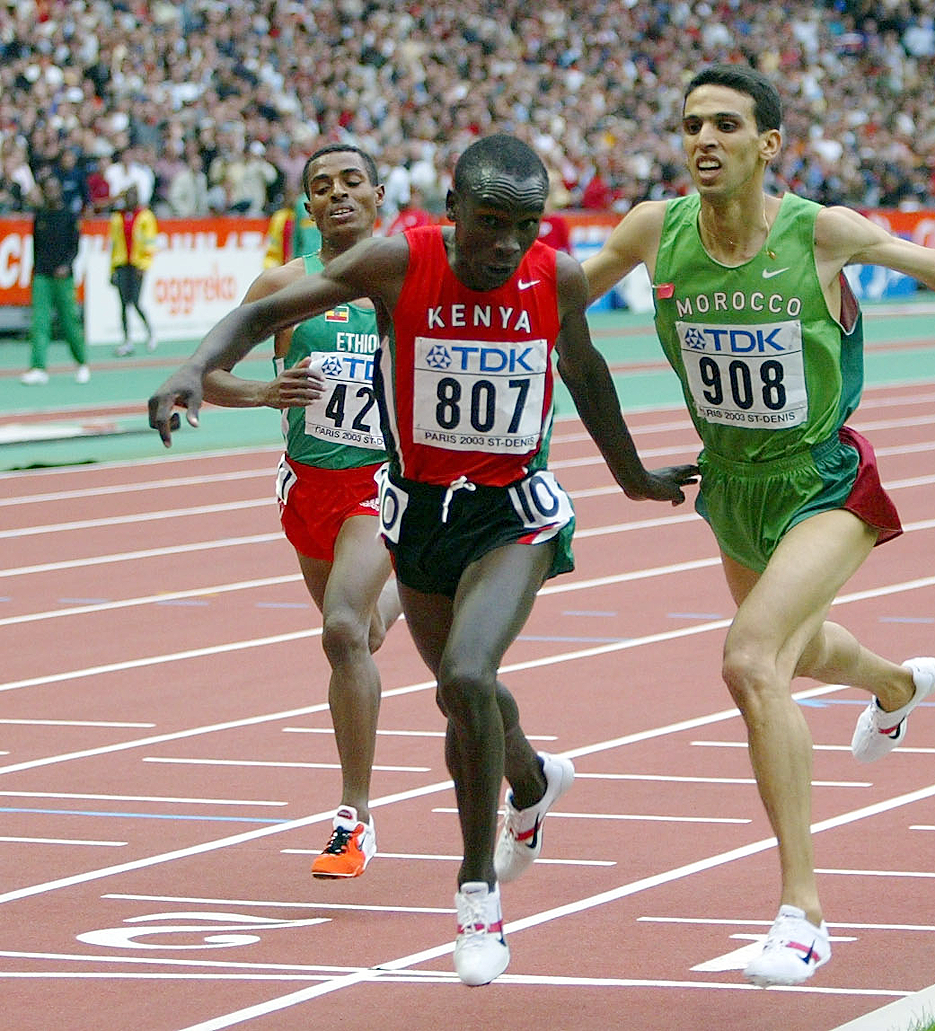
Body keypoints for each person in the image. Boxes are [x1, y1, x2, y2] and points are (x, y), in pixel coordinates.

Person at [581, 64, 935, 989]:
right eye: (691, 124)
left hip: (825, 482)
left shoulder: (820, 232)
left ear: (769, 145)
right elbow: (556, 290)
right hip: (732, 487)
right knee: (799, 653)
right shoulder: (656, 229)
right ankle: (893, 686)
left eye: (726, 124)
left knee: (752, 659)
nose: (703, 139)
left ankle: (802, 912)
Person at [148, 133, 697, 987]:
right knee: (454, 690)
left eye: (526, 225)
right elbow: (260, 316)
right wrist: (194, 369)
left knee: (471, 676)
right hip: (420, 516)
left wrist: (635, 479)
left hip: (513, 513)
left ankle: (477, 894)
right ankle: (533, 773)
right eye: (489, 223)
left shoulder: (552, 276)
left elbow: (586, 374)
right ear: (451, 213)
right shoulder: (399, 264)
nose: (507, 245)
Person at [200, 143, 402, 881]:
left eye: (353, 182)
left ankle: (355, 817)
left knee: (343, 628)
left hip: (377, 483)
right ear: (308, 206)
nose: (339, 194)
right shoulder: (285, 282)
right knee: (367, 632)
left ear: (379, 194)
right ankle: (407, 588)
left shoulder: (405, 274)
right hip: (305, 488)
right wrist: (262, 392)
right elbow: (211, 370)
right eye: (323, 186)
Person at [19, 172, 90, 386]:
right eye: (46, 189)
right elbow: (36, 246)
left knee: (69, 321)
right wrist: (35, 269)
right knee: (39, 322)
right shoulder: (40, 216)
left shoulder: (69, 216)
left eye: (53, 188)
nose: (50, 193)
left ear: (59, 191)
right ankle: (38, 367)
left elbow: (75, 247)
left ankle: (82, 363)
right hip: (42, 275)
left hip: (63, 277)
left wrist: (66, 266)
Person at [110, 184, 158, 356]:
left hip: (137, 266)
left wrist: (144, 265)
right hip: (122, 265)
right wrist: (112, 269)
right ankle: (126, 340)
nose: (131, 199)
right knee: (123, 304)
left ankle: (150, 333)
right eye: (128, 195)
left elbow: (150, 243)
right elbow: (114, 245)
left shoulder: (145, 217)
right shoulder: (117, 218)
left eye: (134, 195)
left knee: (136, 302)